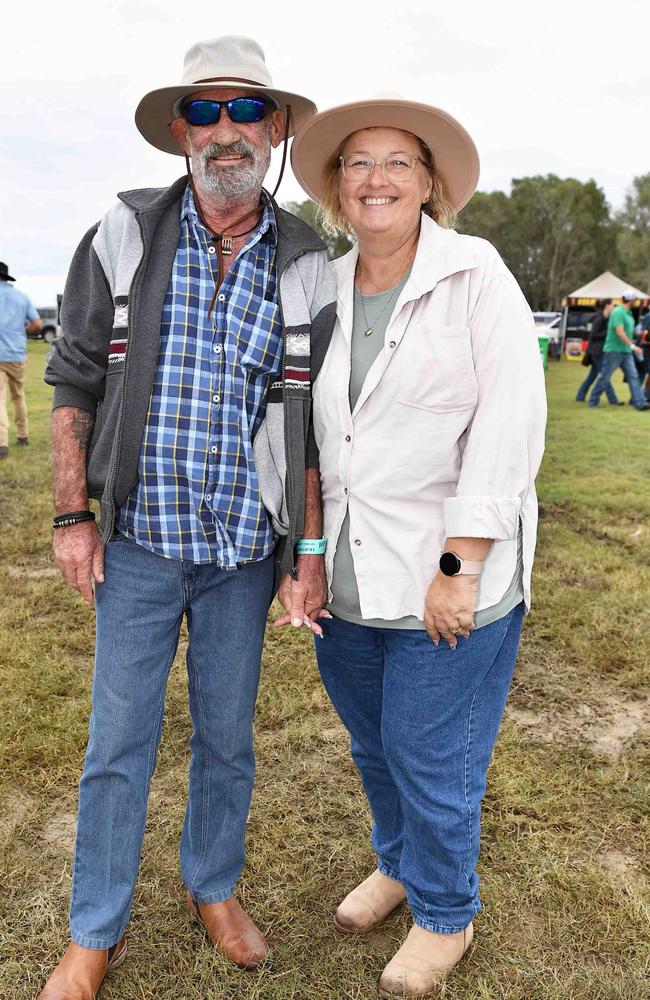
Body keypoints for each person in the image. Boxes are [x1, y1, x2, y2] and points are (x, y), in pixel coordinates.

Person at [40, 35, 335, 1000]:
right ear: (178, 129)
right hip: (137, 544)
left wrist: (306, 547)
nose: (225, 130)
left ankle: (212, 884)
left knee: (228, 735)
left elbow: (314, 423)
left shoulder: (307, 261)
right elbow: (75, 377)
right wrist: (72, 516)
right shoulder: (122, 234)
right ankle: (96, 929)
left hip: (243, 552)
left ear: (276, 127)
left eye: (245, 111)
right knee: (117, 741)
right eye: (204, 111)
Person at [289, 97, 546, 998]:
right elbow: (311, 437)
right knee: (374, 745)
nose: (377, 179)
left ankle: (445, 912)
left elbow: (509, 425)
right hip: (352, 569)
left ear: (430, 182)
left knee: (429, 751)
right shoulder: (318, 283)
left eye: (398, 161)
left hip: (449, 571)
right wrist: (309, 554)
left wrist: (462, 565)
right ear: (336, 187)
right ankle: (397, 864)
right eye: (358, 163)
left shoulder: (475, 272)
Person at [0, 261, 42, 458]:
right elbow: (37, 324)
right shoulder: (21, 297)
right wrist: (21, 332)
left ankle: (2, 443)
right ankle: (23, 435)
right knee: (18, 396)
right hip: (17, 354)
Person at [588, 291, 649, 410]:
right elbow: (619, 332)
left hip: (626, 351)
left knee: (633, 376)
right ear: (630, 300)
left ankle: (639, 403)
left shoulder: (628, 313)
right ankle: (593, 401)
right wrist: (633, 346)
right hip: (614, 351)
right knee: (605, 377)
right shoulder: (618, 312)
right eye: (635, 299)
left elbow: (629, 331)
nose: (636, 302)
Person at [575, 299, 622, 404]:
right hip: (595, 352)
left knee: (592, 376)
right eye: (613, 305)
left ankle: (580, 396)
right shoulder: (599, 318)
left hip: (601, 351)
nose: (614, 307)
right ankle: (613, 400)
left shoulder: (608, 318)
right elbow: (593, 335)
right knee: (605, 376)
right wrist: (608, 332)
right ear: (607, 306)